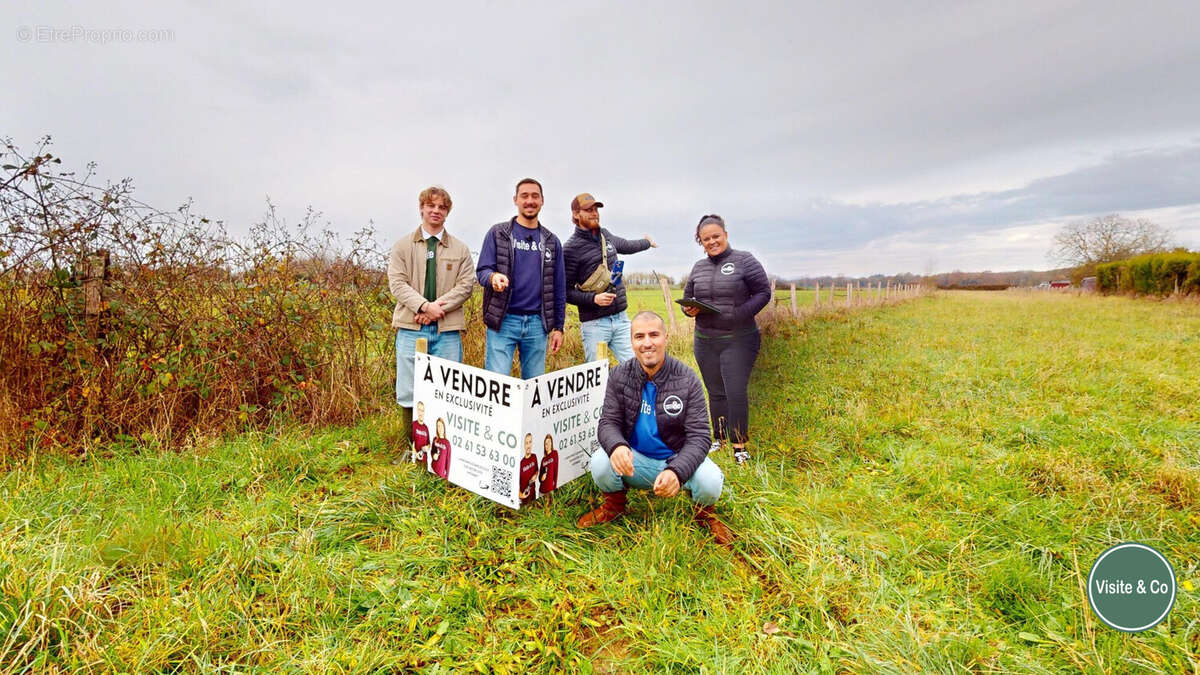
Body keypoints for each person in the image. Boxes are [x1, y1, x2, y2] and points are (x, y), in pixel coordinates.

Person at [576, 311, 733, 546]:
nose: (647, 343)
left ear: (665, 338)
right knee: (599, 461)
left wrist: (677, 471)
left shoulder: (688, 379)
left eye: (654, 335)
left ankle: (704, 515)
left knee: (710, 481)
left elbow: (700, 437)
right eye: (639, 336)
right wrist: (617, 446)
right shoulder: (619, 375)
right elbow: (608, 422)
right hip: (635, 462)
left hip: (676, 460)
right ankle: (614, 507)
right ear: (631, 342)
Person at [388, 186, 476, 447]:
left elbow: (465, 285)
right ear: (421, 208)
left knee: (448, 389)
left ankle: (444, 445)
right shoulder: (403, 246)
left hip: (446, 330)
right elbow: (398, 283)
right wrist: (424, 306)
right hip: (410, 328)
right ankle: (411, 446)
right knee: (408, 389)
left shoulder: (460, 249)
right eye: (431, 206)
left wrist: (437, 308)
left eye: (442, 207)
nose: (436, 211)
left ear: (447, 212)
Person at [681, 214, 771, 465]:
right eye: (706, 239)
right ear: (700, 241)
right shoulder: (698, 267)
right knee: (715, 392)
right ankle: (718, 438)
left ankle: (739, 446)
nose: (711, 242)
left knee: (735, 391)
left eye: (715, 236)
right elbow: (688, 297)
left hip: (738, 339)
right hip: (705, 340)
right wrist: (688, 310)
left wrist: (738, 315)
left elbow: (764, 292)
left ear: (726, 235)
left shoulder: (745, 260)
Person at [476, 178, 566, 378]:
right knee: (496, 386)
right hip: (503, 321)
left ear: (542, 200)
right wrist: (493, 277)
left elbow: (559, 288)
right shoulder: (498, 233)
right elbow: (482, 271)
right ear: (515, 199)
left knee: (533, 387)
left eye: (535, 196)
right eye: (524, 196)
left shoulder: (552, 241)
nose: (530, 201)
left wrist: (559, 327)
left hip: (537, 324)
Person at [562, 192, 657, 363]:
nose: (594, 213)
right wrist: (593, 299)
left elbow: (627, 245)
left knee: (637, 369)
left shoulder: (605, 235)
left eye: (596, 209)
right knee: (597, 378)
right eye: (588, 210)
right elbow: (565, 292)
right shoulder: (570, 249)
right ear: (576, 215)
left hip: (621, 319)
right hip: (595, 325)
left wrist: (647, 243)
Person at [518, 433, 538, 506]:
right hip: (524, 500)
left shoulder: (534, 457)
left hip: (534, 495)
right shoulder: (521, 463)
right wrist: (521, 495)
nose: (528, 445)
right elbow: (514, 483)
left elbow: (537, 470)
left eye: (530, 442)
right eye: (526, 443)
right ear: (524, 445)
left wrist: (535, 475)